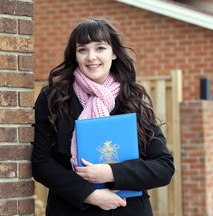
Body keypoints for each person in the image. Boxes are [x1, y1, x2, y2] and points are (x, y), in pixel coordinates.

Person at [32, 18, 175, 216]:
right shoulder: (53, 99)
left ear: (114, 53)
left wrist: (111, 173)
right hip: (71, 209)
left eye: (100, 48)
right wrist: (89, 194)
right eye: (83, 49)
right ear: (75, 55)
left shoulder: (132, 100)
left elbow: (163, 167)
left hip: (128, 210)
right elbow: (41, 163)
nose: (91, 57)